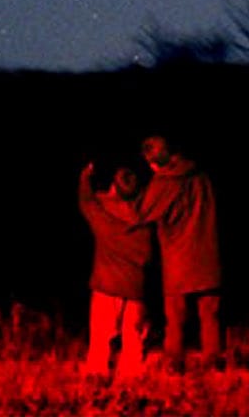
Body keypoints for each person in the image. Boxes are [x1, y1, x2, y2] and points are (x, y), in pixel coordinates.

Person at [107, 135, 222, 371]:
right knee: (210, 315)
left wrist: (112, 201)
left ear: (153, 162)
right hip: (209, 254)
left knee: (176, 316)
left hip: (180, 258)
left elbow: (141, 214)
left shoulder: (166, 182)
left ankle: (174, 362)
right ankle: (214, 362)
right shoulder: (201, 176)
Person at [77, 160, 153, 381]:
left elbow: (86, 202)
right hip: (136, 287)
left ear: (113, 188)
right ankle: (132, 376)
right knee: (134, 338)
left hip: (106, 286)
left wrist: (85, 178)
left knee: (101, 336)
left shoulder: (104, 215)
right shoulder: (145, 220)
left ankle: (97, 374)